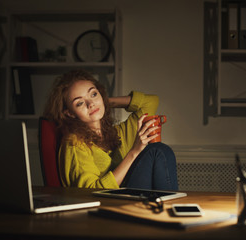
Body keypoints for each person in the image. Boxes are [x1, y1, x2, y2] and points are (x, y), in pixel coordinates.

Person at [43, 69, 178, 191]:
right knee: (155, 151)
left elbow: (150, 102)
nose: (91, 104)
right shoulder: (74, 143)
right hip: (105, 206)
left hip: (132, 198)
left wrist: (104, 102)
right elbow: (89, 192)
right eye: (79, 103)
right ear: (70, 113)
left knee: (160, 150)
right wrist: (134, 152)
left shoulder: (118, 132)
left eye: (93, 94)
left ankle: (168, 213)